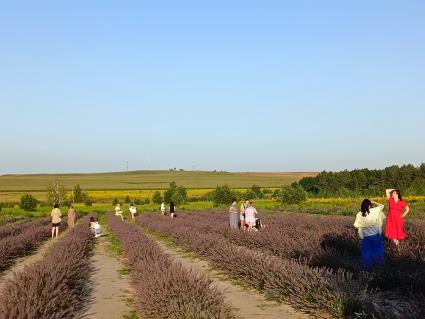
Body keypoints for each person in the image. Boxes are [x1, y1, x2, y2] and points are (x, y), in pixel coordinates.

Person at [354, 199, 386, 269]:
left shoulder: (359, 214)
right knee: (378, 252)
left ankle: (367, 269)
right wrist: (373, 202)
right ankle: (379, 268)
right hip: (375, 236)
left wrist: (358, 236)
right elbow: (382, 206)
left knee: (366, 254)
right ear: (369, 206)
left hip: (366, 237)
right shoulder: (373, 211)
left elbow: (356, 226)